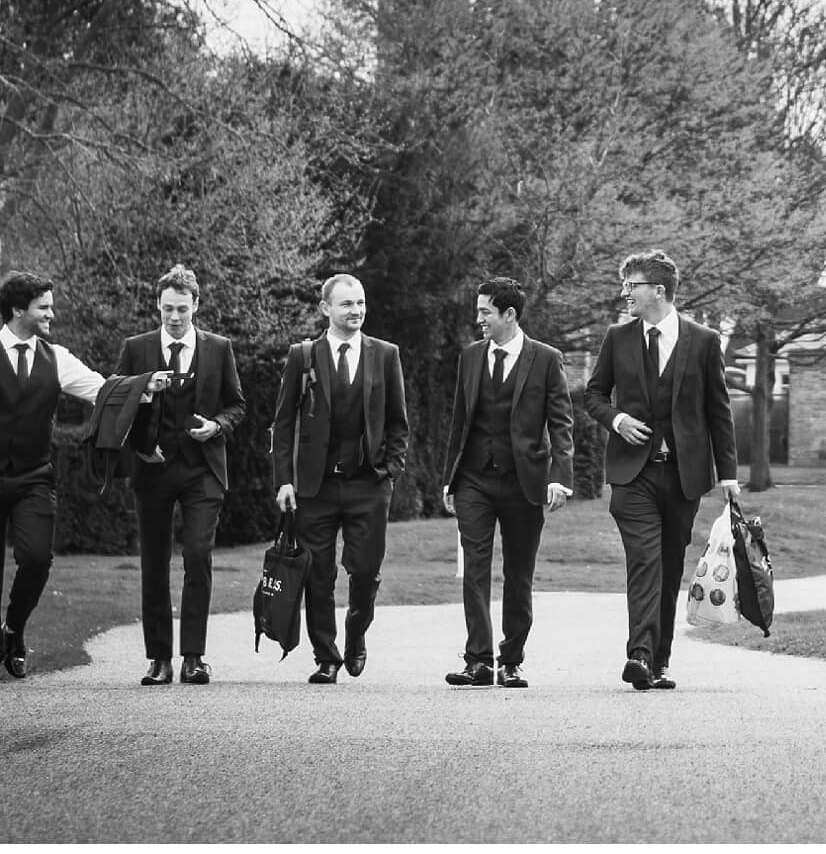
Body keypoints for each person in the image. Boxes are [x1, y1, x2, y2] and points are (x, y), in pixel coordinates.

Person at [0, 270, 156, 685]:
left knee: (36, 559)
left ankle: (13, 628)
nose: (52, 313)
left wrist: (143, 386)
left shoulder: (57, 358)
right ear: (18, 310)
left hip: (33, 476)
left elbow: (102, 390)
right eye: (44, 306)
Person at [584, 249, 739, 691]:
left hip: (684, 476)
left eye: (631, 285)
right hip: (633, 476)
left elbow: (719, 411)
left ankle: (659, 661)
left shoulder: (705, 341)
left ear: (658, 290)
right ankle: (639, 655)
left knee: (671, 567)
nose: (624, 293)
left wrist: (728, 476)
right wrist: (617, 418)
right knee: (645, 563)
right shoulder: (617, 337)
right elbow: (594, 394)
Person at [271, 274, 409, 685]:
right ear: (325, 308)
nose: (356, 311)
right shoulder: (303, 356)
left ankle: (356, 630)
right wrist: (285, 480)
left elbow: (399, 422)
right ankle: (326, 655)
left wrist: (391, 472)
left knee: (365, 571)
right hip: (316, 487)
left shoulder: (385, 354)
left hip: (369, 485)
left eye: (361, 303)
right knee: (317, 572)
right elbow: (283, 423)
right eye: (347, 304)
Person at [115, 264, 247, 687]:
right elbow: (116, 406)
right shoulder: (135, 348)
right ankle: (159, 659)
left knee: (197, 555)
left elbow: (237, 404)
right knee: (154, 563)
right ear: (158, 305)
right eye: (167, 309)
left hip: (201, 470)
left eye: (182, 310)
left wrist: (218, 426)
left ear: (196, 306)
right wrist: (139, 444)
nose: (174, 318)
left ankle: (193, 656)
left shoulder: (219, 348)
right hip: (152, 470)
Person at [440, 277, 575, 689]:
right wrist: (450, 479)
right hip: (474, 481)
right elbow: (460, 421)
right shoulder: (470, 357)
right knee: (474, 570)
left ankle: (511, 660)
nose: (477, 318)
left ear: (509, 315)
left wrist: (560, 478)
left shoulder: (546, 359)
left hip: (524, 482)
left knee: (519, 575)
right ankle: (478, 660)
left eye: (485, 312)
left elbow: (561, 422)